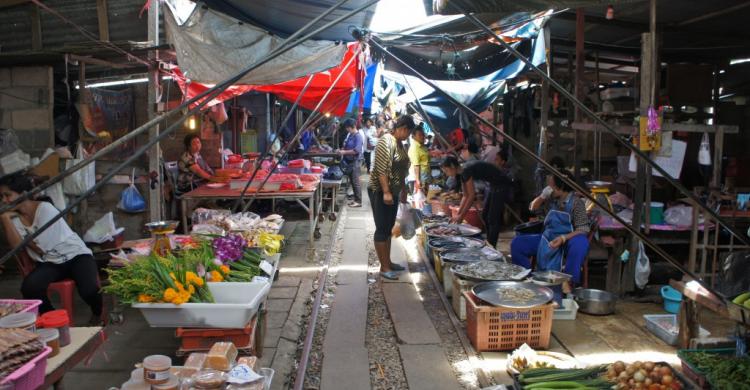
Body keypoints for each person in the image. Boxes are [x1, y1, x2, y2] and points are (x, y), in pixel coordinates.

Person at [0, 173, 103, 323]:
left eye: (7, 195)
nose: (4, 201)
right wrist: (5, 219)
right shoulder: (13, 218)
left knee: (89, 290)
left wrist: (27, 241)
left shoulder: (45, 209)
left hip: (76, 256)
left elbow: (43, 247)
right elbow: (17, 246)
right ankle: (54, 319)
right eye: (1, 197)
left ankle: (97, 314)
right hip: (50, 262)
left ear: (23, 194)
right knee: (29, 288)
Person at [510, 170, 590, 285]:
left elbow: (583, 229)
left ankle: (570, 285)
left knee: (580, 243)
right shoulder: (551, 198)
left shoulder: (576, 203)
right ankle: (525, 279)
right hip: (548, 238)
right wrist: (542, 196)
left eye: (551, 185)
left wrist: (563, 238)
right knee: (518, 243)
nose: (549, 187)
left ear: (560, 186)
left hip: (567, 241)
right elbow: (532, 208)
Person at [369, 115, 416, 280]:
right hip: (381, 191)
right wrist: (387, 191)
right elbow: (382, 168)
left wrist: (402, 190)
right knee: (382, 229)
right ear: (402, 128)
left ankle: (387, 262)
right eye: (408, 132)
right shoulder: (386, 141)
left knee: (388, 227)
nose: (407, 136)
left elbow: (401, 170)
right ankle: (384, 268)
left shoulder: (398, 143)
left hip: (393, 191)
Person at [441, 153, 514, 248]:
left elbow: (471, 196)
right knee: (485, 215)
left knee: (492, 218)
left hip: (501, 184)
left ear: (452, 166)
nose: (447, 174)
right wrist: (458, 215)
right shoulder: (461, 173)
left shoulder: (465, 170)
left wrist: (461, 216)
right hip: (491, 185)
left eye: (446, 171)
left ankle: (491, 246)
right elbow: (465, 196)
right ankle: (489, 242)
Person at [339, 118, 364, 208]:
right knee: (353, 182)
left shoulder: (358, 136)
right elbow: (347, 146)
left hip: (355, 161)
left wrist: (344, 152)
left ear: (352, 127)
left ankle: (358, 201)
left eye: (348, 128)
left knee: (355, 182)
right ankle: (356, 199)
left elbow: (356, 150)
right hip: (350, 161)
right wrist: (342, 149)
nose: (347, 129)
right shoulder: (351, 135)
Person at [407, 124, 430, 196]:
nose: (422, 136)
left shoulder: (421, 145)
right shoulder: (415, 148)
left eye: (423, 134)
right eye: (420, 135)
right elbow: (416, 165)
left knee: (426, 196)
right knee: (422, 197)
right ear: (413, 136)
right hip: (420, 175)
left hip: (425, 173)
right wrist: (418, 180)